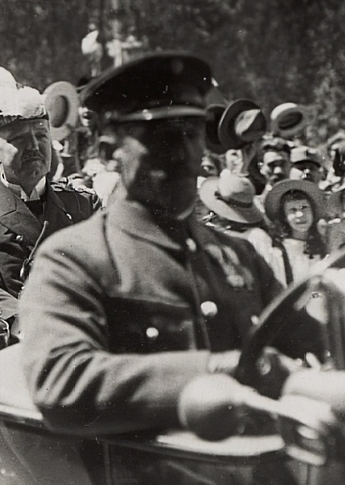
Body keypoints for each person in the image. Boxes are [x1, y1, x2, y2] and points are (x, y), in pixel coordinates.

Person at [18, 53, 314, 437]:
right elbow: (61, 382)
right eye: (162, 138)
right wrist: (216, 369)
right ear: (109, 152)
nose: (185, 155)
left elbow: (313, 338)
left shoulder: (237, 256)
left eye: (192, 134)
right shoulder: (75, 260)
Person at [0, 64, 98, 335]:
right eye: (19, 139)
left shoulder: (84, 205)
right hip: (19, 342)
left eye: (41, 136)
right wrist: (29, 326)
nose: (35, 147)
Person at [261, 178, 329, 285]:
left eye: (304, 208)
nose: (300, 215)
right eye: (292, 210)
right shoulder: (278, 251)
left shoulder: (325, 244)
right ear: (284, 217)